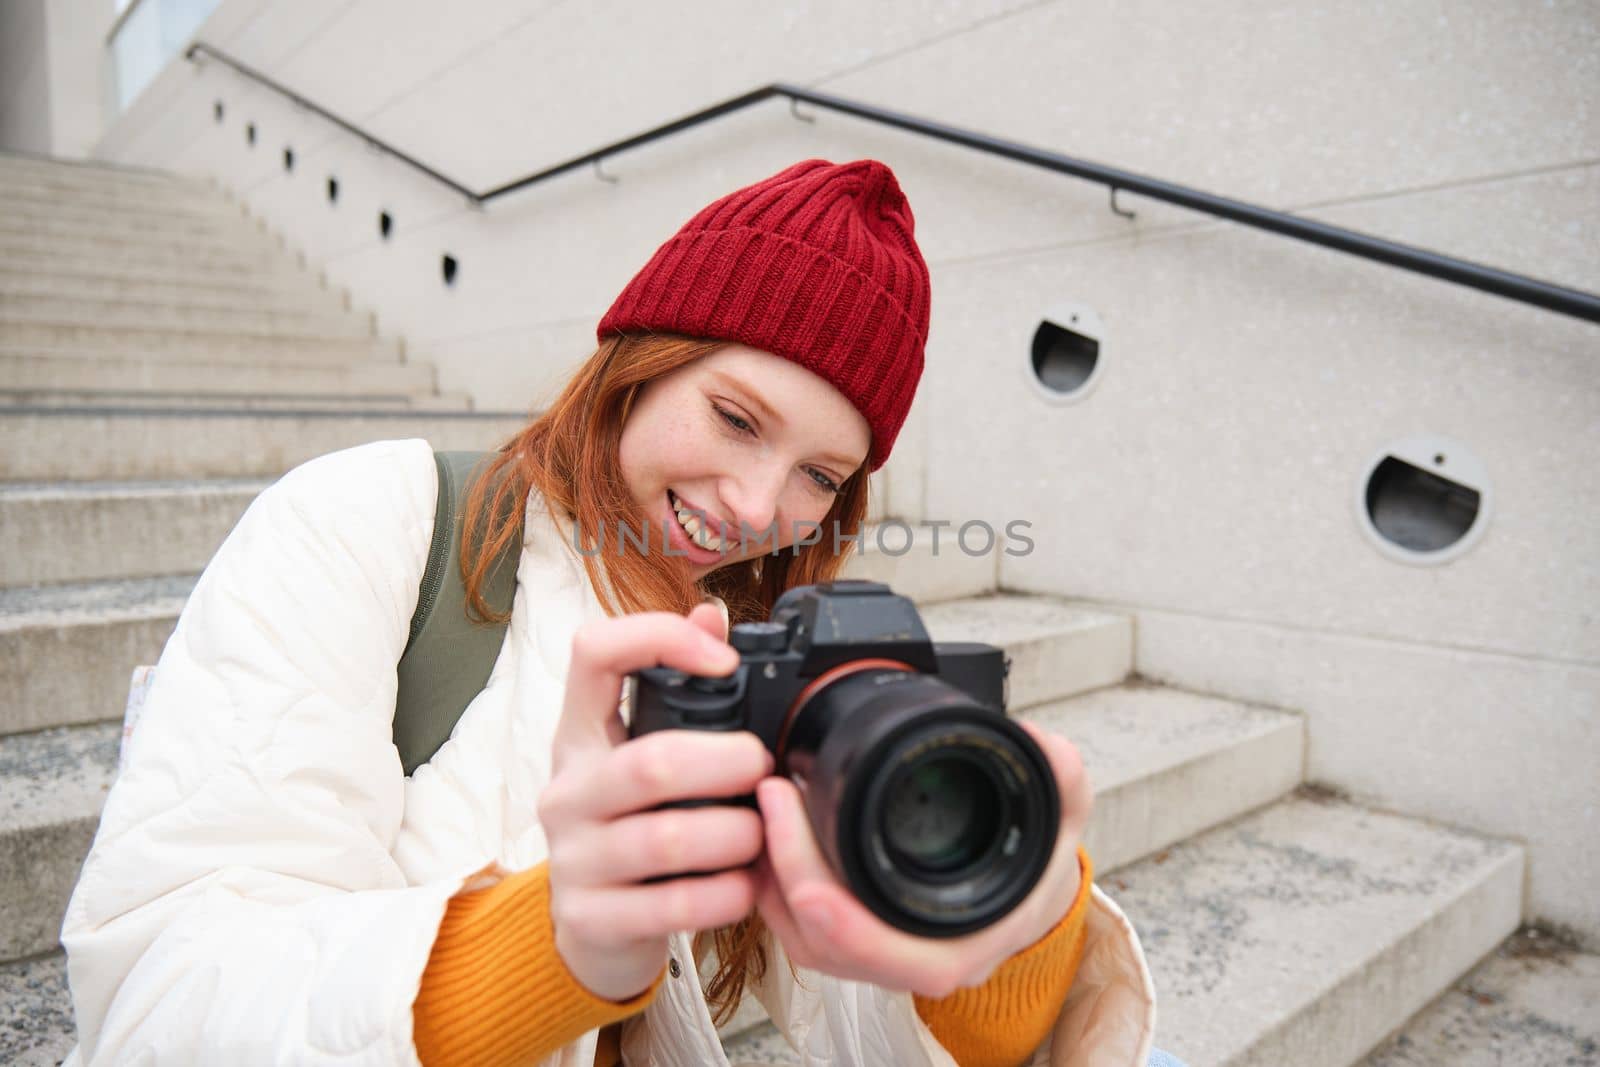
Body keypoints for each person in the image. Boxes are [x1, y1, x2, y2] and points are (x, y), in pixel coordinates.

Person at [60, 159, 1164, 1066]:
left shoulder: (772, 642)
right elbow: (158, 1000)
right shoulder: (373, 520)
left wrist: (1008, 920)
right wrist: (554, 943)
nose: (756, 507)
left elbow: (885, 1020)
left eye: (820, 476)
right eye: (734, 417)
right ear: (640, 362)